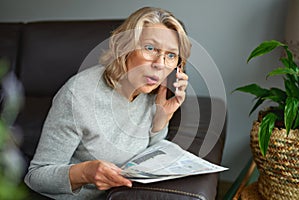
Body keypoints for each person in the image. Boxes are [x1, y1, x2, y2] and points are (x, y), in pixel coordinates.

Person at [24, 6, 191, 199]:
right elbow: (36, 177)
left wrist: (161, 120)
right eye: (150, 48)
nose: (160, 64)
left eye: (171, 55)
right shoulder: (78, 95)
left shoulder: (153, 92)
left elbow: (149, 156)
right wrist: (85, 172)